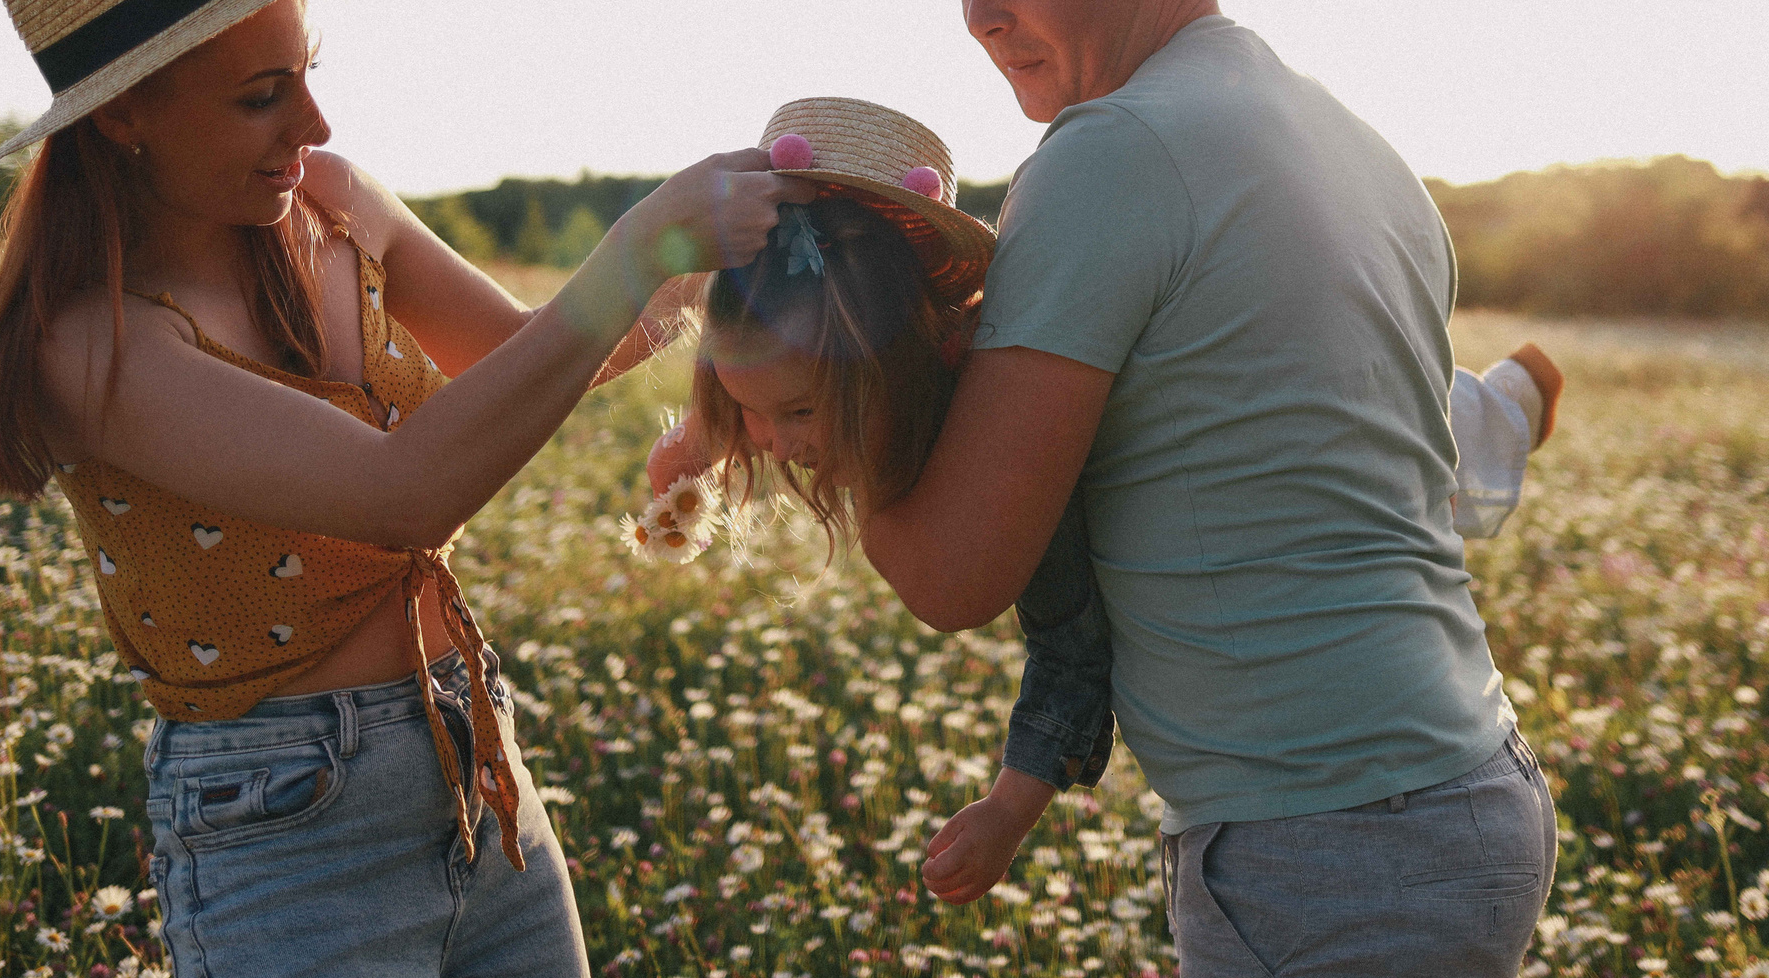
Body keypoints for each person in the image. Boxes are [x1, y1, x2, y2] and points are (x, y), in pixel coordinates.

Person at [0, 0, 805, 978]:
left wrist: (707, 269)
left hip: (473, 759)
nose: (313, 120)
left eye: (307, 73)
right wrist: (637, 246)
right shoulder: (93, 347)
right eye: (261, 94)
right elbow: (406, 494)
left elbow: (528, 356)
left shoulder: (332, 204)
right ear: (124, 116)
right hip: (278, 827)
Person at [858, 0, 1562, 978]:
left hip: (1329, 842)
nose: (982, 14)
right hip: (1456, 798)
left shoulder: (1110, 152)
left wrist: (834, 397)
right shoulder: (1357, 145)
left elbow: (954, 574)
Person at [647, 100, 1562, 906]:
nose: (777, 445)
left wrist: (1010, 806)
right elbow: (766, 387)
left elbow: (1072, 647)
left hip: (1270, 425)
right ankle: (1493, 404)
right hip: (1265, 386)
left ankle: (1505, 402)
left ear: (879, 373)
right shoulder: (850, 371)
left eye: (796, 415)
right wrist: (703, 440)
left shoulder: (1000, 441)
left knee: (1422, 444)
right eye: (751, 414)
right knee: (1390, 421)